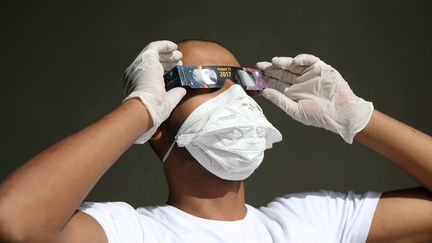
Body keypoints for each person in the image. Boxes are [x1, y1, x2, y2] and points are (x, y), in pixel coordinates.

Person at [0, 39, 431, 243]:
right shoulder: (130, 231)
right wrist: (138, 111)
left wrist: (360, 119)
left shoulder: (309, 224)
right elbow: (15, 222)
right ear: (159, 127)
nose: (235, 100)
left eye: (243, 85)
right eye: (206, 83)